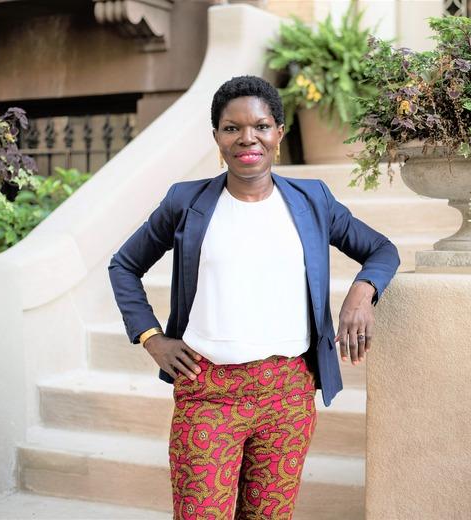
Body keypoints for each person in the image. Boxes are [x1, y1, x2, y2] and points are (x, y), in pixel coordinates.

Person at [108, 75, 400, 519]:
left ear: (279, 133)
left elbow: (381, 249)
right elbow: (124, 265)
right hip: (208, 393)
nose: (248, 138)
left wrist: (362, 292)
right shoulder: (186, 202)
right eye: (232, 128)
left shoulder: (312, 199)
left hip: (287, 396)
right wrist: (151, 336)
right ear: (217, 138)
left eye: (261, 126)